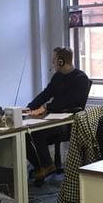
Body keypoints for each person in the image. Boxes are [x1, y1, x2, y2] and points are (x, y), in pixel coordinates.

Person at [25, 47, 90, 180]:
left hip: (69, 123)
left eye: (54, 60)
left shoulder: (81, 78)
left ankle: (47, 165)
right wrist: (28, 108)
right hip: (53, 119)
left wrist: (46, 107)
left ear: (61, 62)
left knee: (37, 132)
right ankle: (40, 167)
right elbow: (46, 94)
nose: (52, 63)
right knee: (25, 134)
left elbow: (71, 102)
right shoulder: (58, 77)